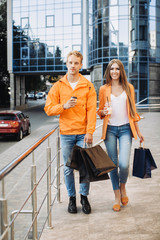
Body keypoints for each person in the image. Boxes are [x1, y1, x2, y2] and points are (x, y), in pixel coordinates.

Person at [44, 51, 97, 214]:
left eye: (76, 63)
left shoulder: (87, 85)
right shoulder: (58, 86)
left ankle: (84, 197)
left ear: (81, 65)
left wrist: (89, 131)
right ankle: (72, 199)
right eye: (70, 62)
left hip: (83, 133)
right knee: (68, 168)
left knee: (84, 167)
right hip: (66, 133)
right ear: (66, 64)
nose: (73, 66)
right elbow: (48, 109)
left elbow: (91, 110)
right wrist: (63, 106)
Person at [97, 59, 144, 212]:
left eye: (117, 69)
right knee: (112, 165)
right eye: (112, 69)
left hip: (125, 129)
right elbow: (100, 112)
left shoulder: (128, 88)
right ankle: (117, 196)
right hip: (110, 129)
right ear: (108, 71)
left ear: (121, 71)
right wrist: (103, 112)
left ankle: (123, 187)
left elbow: (133, 112)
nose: (114, 72)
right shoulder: (104, 89)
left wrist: (138, 131)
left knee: (123, 164)